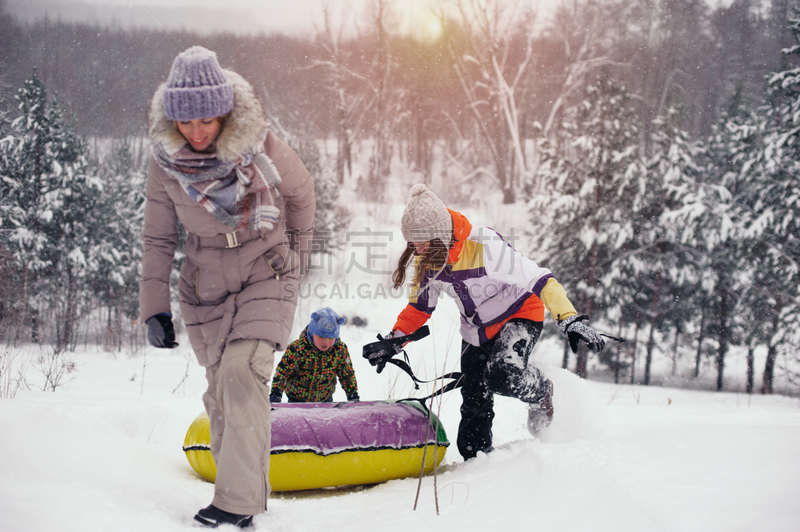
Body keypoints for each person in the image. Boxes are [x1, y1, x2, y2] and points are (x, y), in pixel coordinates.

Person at [139, 46, 315, 528]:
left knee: (242, 373)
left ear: (225, 113)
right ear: (172, 120)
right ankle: (237, 491)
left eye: (208, 121)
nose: (197, 133)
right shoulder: (164, 162)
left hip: (266, 266)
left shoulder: (259, 144)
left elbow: (301, 194)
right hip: (204, 282)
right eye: (186, 124)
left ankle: (237, 505)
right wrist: (154, 307)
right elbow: (157, 236)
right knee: (220, 391)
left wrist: (296, 251)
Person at [376, 184, 604, 461]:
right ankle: (477, 462)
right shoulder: (427, 262)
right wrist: (393, 341)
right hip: (476, 331)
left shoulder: (483, 245)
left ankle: (543, 390)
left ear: (440, 233)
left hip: (519, 315)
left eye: (422, 241)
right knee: (473, 398)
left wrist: (568, 318)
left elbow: (540, 278)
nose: (416, 248)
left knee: (502, 375)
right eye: (412, 242)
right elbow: (419, 308)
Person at [269, 307, 360, 403]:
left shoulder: (339, 350)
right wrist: (276, 393)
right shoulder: (298, 349)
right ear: (312, 333)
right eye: (321, 336)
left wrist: (352, 394)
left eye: (331, 338)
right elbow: (283, 373)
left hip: (325, 400)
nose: (326, 342)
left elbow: (347, 373)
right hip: (297, 400)